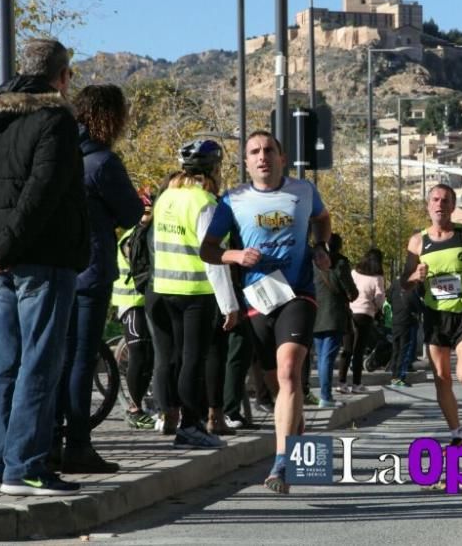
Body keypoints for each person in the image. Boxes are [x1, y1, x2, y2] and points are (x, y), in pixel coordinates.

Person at [0, 39, 88, 496]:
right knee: (40, 362)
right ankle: (26, 468)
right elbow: (43, 193)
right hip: (44, 259)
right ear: (63, 76)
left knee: (5, 364)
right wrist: (4, 248)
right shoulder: (55, 119)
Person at [200, 131, 332, 494]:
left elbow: (323, 218)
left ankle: (281, 465)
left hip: (298, 294)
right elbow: (208, 250)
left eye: (269, 150)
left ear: (282, 156)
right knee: (277, 388)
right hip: (258, 299)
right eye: (255, 152)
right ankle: (299, 443)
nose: (263, 157)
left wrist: (321, 247)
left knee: (290, 373)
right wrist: (236, 256)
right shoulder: (234, 200)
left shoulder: (303, 191)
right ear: (246, 162)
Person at [56, 84, 143, 474]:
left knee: (58, 357)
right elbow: (128, 214)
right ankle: (78, 444)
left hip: (58, 268)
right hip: (91, 271)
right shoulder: (104, 163)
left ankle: (50, 440)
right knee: (81, 359)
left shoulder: (59, 153)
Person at [149, 139, 235, 449]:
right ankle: (191, 426)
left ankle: (176, 419)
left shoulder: (166, 197)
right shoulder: (205, 203)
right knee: (193, 361)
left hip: (163, 289)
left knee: (173, 358)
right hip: (195, 291)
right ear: (214, 168)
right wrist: (229, 304)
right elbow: (211, 258)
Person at [402, 184, 462, 446]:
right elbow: (404, 282)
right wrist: (415, 276)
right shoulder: (418, 242)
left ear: (452, 206)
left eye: (446, 200)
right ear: (428, 205)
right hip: (435, 317)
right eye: (435, 199)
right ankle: (457, 434)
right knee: (442, 379)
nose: (440, 204)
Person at [112, 195, 156, 430]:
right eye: (144, 211)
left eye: (150, 210)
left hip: (151, 299)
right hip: (131, 300)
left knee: (153, 353)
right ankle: (134, 408)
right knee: (139, 350)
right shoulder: (132, 237)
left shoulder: (153, 233)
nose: (147, 215)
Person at [313, 234, 357, 407]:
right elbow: (352, 292)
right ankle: (325, 396)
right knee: (327, 358)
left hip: (316, 318)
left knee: (321, 356)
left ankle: (324, 394)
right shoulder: (338, 267)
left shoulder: (311, 269)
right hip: (334, 317)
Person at [342, 249, 386, 392]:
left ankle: (341, 382)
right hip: (365, 314)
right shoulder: (377, 278)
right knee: (358, 350)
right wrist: (377, 307)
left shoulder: (354, 273)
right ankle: (356, 384)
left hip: (350, 312)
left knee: (347, 349)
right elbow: (379, 299)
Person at [388, 276, 422, 388]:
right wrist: (421, 309)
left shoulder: (395, 283)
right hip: (407, 321)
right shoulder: (410, 286)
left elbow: (388, 297)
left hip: (396, 320)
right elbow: (415, 303)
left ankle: (394, 376)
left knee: (396, 349)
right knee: (404, 350)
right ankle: (399, 377)